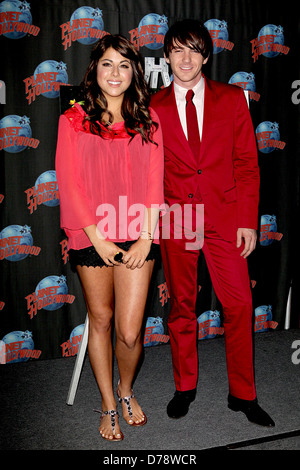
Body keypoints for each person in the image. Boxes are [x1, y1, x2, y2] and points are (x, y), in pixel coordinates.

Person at [151, 19, 275, 427]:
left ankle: (243, 394)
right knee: (182, 308)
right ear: (167, 55)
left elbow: (246, 164)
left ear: (206, 55)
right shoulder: (155, 105)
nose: (186, 58)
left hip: (225, 220)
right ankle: (184, 386)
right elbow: (148, 169)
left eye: (194, 50)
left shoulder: (232, 98)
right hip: (177, 220)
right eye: (177, 50)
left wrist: (248, 221)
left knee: (239, 305)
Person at [55, 34, 164, 441]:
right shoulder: (73, 119)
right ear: (94, 70)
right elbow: (68, 182)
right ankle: (106, 402)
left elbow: (155, 184)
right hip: (91, 236)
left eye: (123, 64)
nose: (115, 73)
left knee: (130, 331)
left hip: (139, 233)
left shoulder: (150, 120)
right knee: (100, 320)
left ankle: (125, 391)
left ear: (134, 70)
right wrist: (96, 238)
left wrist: (145, 237)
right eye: (107, 64)